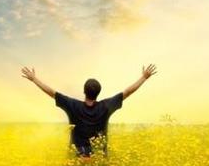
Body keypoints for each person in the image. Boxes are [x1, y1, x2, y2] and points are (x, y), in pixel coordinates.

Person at [21, 64, 157, 157]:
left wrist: (34, 79)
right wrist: (144, 77)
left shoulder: (72, 105)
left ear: (84, 91)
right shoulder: (106, 106)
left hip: (77, 156)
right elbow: (127, 92)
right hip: (98, 156)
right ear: (98, 93)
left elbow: (51, 93)